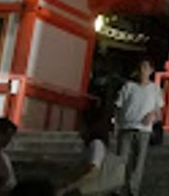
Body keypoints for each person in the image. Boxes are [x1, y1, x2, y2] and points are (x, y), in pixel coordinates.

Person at [114, 58, 163, 196]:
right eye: (141, 67)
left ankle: (133, 190)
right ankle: (117, 188)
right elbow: (118, 107)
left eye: (146, 67)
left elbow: (159, 113)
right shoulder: (128, 86)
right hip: (126, 127)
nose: (142, 70)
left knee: (138, 163)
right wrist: (117, 125)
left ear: (151, 71)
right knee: (121, 160)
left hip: (144, 130)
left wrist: (153, 115)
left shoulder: (155, 89)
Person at [57, 112, 125, 196]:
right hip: (95, 184)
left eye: (81, 125)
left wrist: (68, 188)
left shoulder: (97, 144)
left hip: (100, 183)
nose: (78, 128)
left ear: (89, 128)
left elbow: (93, 173)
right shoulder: (87, 147)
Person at [0, 118, 17, 195]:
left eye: (10, 137)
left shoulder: (4, 159)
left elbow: (10, 185)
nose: (8, 140)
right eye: (6, 135)